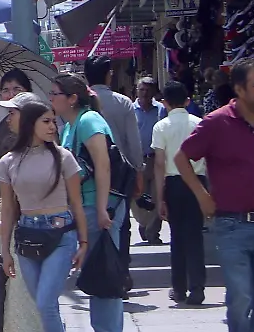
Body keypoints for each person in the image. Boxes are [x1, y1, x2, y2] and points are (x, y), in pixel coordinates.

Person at [176, 60, 254, 332]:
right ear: (239, 90)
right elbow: (181, 158)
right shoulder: (216, 122)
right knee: (240, 298)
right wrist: (202, 195)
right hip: (232, 224)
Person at [0, 95, 90, 332]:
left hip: (61, 236)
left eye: (54, 121)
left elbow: (77, 203)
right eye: (46, 121)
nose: (53, 126)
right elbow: (8, 209)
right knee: (44, 306)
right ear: (31, 124)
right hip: (27, 239)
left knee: (47, 302)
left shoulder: (63, 158)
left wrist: (84, 242)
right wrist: (5, 251)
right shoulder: (9, 161)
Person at [52, 74, 124, 332]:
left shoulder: (88, 121)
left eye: (55, 93)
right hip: (86, 206)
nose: (51, 98)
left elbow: (103, 165)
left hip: (97, 206)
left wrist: (104, 207)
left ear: (72, 98)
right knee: (95, 270)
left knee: (102, 271)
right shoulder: (72, 125)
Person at [84, 57, 142, 277]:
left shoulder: (80, 104)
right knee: (121, 224)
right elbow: (133, 142)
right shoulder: (123, 102)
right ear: (109, 75)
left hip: (87, 177)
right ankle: (121, 272)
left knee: (92, 224)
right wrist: (138, 171)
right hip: (120, 176)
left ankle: (97, 270)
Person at [151, 82, 206, 306]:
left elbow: (159, 164)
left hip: (173, 184)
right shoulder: (201, 124)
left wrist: (159, 196)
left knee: (177, 237)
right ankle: (197, 288)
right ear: (188, 100)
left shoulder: (161, 127)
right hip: (197, 182)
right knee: (195, 235)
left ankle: (179, 287)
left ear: (164, 102)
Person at [0, 69, 35, 222]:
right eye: (6, 90)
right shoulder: (4, 124)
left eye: (17, 89)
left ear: (27, 92)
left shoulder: (34, 124)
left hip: (20, 201)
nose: (11, 94)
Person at [134, 78, 166, 245]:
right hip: (137, 160)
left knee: (156, 194)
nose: (145, 93)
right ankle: (143, 223)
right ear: (136, 90)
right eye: (142, 90)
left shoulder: (160, 110)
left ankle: (153, 231)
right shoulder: (131, 110)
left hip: (155, 159)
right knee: (138, 196)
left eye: (148, 90)